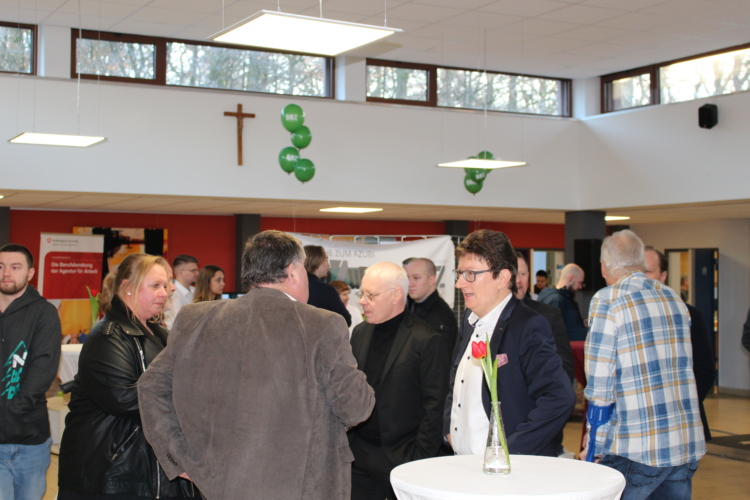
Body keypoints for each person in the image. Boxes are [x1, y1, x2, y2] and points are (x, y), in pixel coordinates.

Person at [137, 230, 374, 500]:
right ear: (292, 271)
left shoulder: (195, 318)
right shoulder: (324, 325)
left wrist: (178, 456)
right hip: (303, 485)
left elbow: (151, 387)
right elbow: (356, 408)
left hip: (214, 483)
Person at [58, 253, 197, 499]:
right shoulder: (109, 337)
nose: (166, 292)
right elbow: (125, 399)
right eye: (155, 285)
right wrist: (185, 394)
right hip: (110, 474)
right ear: (127, 287)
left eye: (165, 285)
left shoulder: (156, 333)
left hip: (138, 470)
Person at [584, 230, 705, 500]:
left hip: (636, 448)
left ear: (604, 266)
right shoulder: (674, 299)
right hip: (683, 443)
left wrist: (595, 445)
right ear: (640, 261)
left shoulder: (608, 300)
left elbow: (601, 384)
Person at [445, 230, 575, 457]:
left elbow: (559, 398)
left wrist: (509, 452)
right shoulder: (469, 319)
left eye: (470, 274)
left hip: (504, 469)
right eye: (459, 273)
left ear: (503, 278)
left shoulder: (528, 325)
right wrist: (449, 428)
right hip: (464, 463)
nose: (459, 283)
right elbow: (457, 378)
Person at [349, 262, 450, 500]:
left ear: (396, 295)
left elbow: (435, 407)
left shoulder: (426, 339)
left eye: (370, 295)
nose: (362, 301)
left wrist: (418, 457)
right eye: (362, 293)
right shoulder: (360, 333)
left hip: (401, 457)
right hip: (357, 455)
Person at [0, 244, 61, 500]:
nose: (6, 273)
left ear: (30, 273)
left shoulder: (44, 313)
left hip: (30, 440)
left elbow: (42, 370)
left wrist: (11, 412)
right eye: (1, 266)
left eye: (15, 267)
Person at [644, 246, 716, 440]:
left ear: (663, 276)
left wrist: (681, 406)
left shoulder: (688, 314)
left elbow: (704, 371)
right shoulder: (618, 314)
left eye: (648, 272)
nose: (640, 278)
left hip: (680, 423)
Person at [515, 251, 575, 458]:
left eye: (523, 274)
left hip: (540, 428)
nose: (519, 281)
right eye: (514, 274)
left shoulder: (548, 315)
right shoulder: (483, 318)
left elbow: (565, 371)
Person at [402, 257, 458, 350]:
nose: (410, 284)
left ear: (431, 280)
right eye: (408, 278)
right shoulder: (407, 304)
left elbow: (440, 355)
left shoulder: (441, 316)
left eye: (416, 278)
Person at [537, 263, 588, 341]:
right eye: (580, 282)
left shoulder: (565, 299)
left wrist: (582, 324)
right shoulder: (555, 300)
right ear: (571, 278)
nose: (580, 287)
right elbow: (552, 334)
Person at [304, 245, 352, 326]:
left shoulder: (292, 285)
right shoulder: (325, 290)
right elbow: (345, 320)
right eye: (326, 260)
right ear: (317, 261)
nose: (328, 265)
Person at [163, 255, 199, 329]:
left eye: (197, 270)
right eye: (193, 270)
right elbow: (180, 323)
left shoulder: (196, 291)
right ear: (181, 273)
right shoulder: (173, 294)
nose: (197, 273)